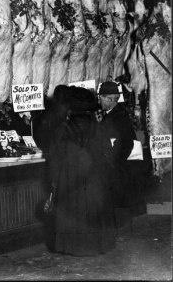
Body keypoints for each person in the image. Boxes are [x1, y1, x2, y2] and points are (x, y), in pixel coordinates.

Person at [48, 87, 116, 256]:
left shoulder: (61, 130)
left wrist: (54, 184)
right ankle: (97, 246)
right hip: (95, 182)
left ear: (70, 109)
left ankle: (74, 247)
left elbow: (54, 162)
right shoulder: (99, 128)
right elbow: (108, 155)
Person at [95, 81, 137, 236]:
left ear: (110, 99)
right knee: (117, 199)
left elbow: (128, 143)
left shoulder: (118, 117)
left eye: (101, 98)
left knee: (119, 200)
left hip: (117, 168)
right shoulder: (112, 114)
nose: (99, 101)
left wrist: (113, 160)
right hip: (115, 167)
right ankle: (120, 232)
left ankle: (122, 233)